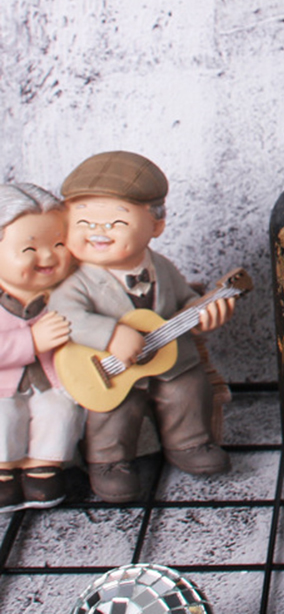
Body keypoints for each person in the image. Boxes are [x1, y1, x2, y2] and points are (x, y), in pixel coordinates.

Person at [49, 151, 235, 503]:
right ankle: (108, 461)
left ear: (156, 225)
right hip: (106, 368)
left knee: (188, 388)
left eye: (116, 223)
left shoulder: (161, 267)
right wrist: (110, 334)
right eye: (84, 222)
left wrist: (203, 313)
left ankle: (189, 443)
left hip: (169, 361)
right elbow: (65, 315)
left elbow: (184, 301)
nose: (98, 232)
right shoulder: (76, 281)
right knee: (116, 409)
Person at [0, 183, 84, 511]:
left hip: (52, 381)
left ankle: (43, 467)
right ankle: (5, 469)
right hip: (3, 388)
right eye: (29, 248)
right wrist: (31, 342)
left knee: (60, 411)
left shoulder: (70, 293)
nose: (48, 256)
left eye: (59, 244)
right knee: (5, 415)